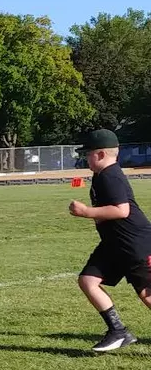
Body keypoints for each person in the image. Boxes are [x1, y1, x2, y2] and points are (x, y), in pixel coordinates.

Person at [70, 128, 151, 352]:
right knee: (88, 280)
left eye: (88, 153)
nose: (85, 158)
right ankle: (118, 331)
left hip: (134, 244)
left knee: (147, 294)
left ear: (101, 154)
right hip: (114, 244)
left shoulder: (110, 176)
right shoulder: (101, 176)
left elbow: (122, 210)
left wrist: (86, 212)